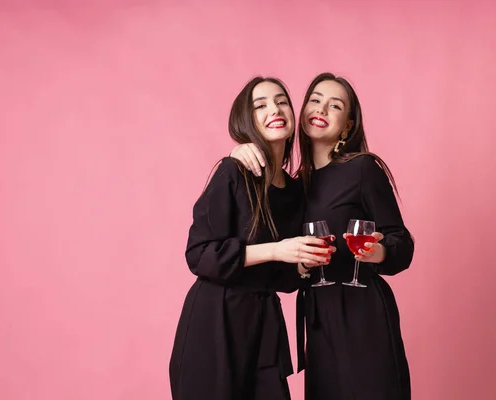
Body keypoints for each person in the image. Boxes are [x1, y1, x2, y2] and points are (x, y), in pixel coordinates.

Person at [230, 73, 415, 399]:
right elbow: (277, 251)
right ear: (301, 114)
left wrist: (379, 252)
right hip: (317, 317)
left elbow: (402, 243)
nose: (322, 109)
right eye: (315, 100)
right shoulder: (292, 185)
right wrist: (239, 154)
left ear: (347, 124)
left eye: (335, 105)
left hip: (362, 313)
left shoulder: (363, 169)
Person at [169, 76, 336, 400]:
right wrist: (277, 249)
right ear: (247, 119)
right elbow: (200, 254)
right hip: (215, 323)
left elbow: (282, 278)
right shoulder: (234, 171)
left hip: (264, 329)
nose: (274, 109)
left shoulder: (294, 192)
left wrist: (301, 265)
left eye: (281, 101)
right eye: (261, 105)